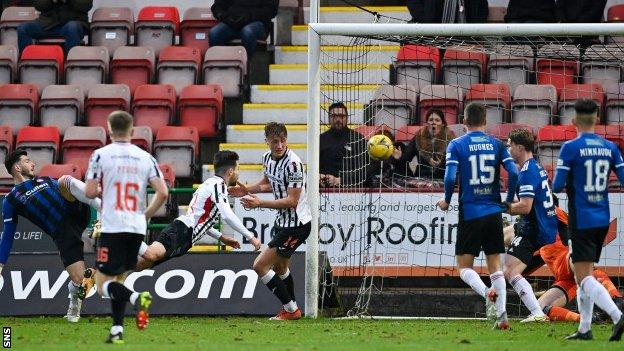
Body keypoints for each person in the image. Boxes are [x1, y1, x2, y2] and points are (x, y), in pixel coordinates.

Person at [85, 111, 169, 344]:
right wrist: (146, 214)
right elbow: (162, 192)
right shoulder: (146, 157)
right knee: (118, 279)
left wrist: (105, 190)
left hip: (112, 227)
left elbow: (90, 192)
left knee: (103, 286)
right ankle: (116, 331)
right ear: (132, 132)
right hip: (136, 228)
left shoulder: (100, 155)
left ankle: (136, 299)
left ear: (109, 130)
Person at [437, 102, 518, 330]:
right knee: (495, 267)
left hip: (470, 211)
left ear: (464, 122)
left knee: (463, 267)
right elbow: (513, 172)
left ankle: (486, 292)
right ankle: (502, 318)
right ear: (485, 121)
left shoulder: (456, 144)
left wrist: (447, 200)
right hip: (493, 211)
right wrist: (509, 199)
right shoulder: (497, 144)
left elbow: (451, 178)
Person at [0, 149, 101, 323]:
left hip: (74, 211)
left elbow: (74, 191)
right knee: (79, 280)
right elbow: (8, 235)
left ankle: (105, 214)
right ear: (17, 167)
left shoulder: (45, 180)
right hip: (62, 232)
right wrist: (0, 263)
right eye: (27, 161)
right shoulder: (11, 200)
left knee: (65, 181)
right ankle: (74, 306)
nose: (32, 163)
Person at [552, 99, 624, 341]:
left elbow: (558, 185)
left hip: (581, 219)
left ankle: (617, 315)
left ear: (573, 121)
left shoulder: (570, 148)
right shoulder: (610, 148)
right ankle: (585, 328)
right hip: (602, 217)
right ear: (597, 120)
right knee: (585, 273)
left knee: (583, 278)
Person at [229, 122, 311, 320]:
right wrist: (246, 189)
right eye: (275, 141)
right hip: (282, 223)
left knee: (259, 266)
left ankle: (291, 310)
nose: (280, 145)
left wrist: (259, 204)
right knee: (280, 267)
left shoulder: (294, 165)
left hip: (297, 225)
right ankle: (292, 310)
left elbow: (292, 201)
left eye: (283, 141)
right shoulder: (267, 158)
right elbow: (267, 183)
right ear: (266, 141)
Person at [135, 150, 261, 270]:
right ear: (231, 171)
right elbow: (227, 215)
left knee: (138, 266)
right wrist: (250, 237)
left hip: (185, 235)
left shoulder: (212, 185)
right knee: (151, 254)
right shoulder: (217, 185)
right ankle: (124, 235)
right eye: (238, 169)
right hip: (182, 231)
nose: (238, 173)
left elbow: (201, 220)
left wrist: (221, 237)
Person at [504, 207, 624, 323]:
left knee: (578, 264)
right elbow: (523, 268)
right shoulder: (540, 242)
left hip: (568, 257)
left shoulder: (551, 212)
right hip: (564, 279)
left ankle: (617, 299)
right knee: (540, 307)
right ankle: (586, 319)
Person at [503, 128, 557, 323]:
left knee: (510, 270)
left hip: (535, 229)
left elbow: (525, 207)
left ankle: (537, 313)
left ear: (519, 147)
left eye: (510, 145)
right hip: (540, 226)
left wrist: (503, 207)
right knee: (503, 247)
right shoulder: (536, 167)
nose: (508, 149)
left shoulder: (527, 171)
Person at [392, 108, 454, 180]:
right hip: (421, 178)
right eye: (431, 120)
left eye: (437, 120)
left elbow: (454, 165)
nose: (433, 122)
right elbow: (407, 158)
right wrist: (399, 157)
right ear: (427, 123)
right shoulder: (419, 138)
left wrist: (441, 165)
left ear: (443, 124)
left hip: (443, 178)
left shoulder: (451, 140)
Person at [319, 102, 370, 188]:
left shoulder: (358, 139)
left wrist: (340, 180)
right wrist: (318, 177)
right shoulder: (321, 139)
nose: (338, 119)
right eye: (334, 116)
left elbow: (365, 170)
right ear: (329, 118)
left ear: (347, 118)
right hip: (325, 191)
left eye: (342, 116)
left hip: (352, 190)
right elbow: (312, 168)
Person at [209, 0, 278, 59]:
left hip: (257, 22)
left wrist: (250, 16)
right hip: (232, 22)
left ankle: (245, 66)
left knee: (248, 32)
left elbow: (272, 10)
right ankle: (219, 66)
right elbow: (217, 6)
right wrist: (223, 16)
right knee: (214, 33)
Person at [17, 0, 92, 54]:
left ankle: (70, 67)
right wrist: (51, 1)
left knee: (72, 27)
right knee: (23, 28)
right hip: (47, 24)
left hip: (73, 23)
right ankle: (28, 65)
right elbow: (38, 5)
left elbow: (86, 5)